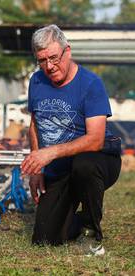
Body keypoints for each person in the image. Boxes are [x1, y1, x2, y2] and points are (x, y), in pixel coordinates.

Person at [21, 24, 122, 255]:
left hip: (98, 160)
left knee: (84, 164)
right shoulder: (36, 81)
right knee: (45, 239)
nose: (49, 66)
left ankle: (90, 229)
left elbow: (95, 139)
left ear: (68, 51)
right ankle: (72, 221)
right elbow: (35, 125)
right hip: (60, 168)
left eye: (54, 58)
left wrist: (50, 153)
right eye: (42, 60)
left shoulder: (90, 83)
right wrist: (38, 168)